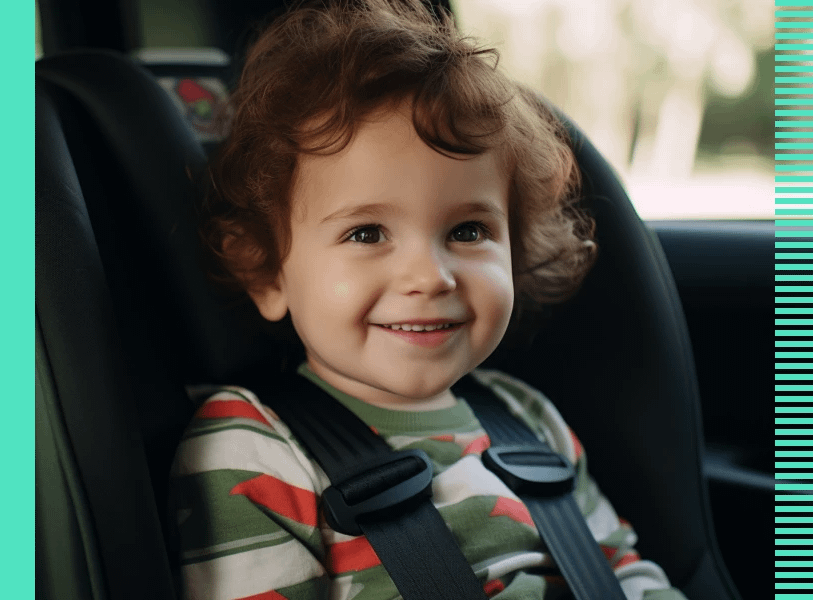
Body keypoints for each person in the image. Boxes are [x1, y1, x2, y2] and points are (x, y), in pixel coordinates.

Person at [170, 0, 689, 598]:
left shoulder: (529, 420)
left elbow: (623, 573)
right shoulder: (253, 449)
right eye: (366, 234)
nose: (430, 275)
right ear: (268, 274)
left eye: (468, 231)